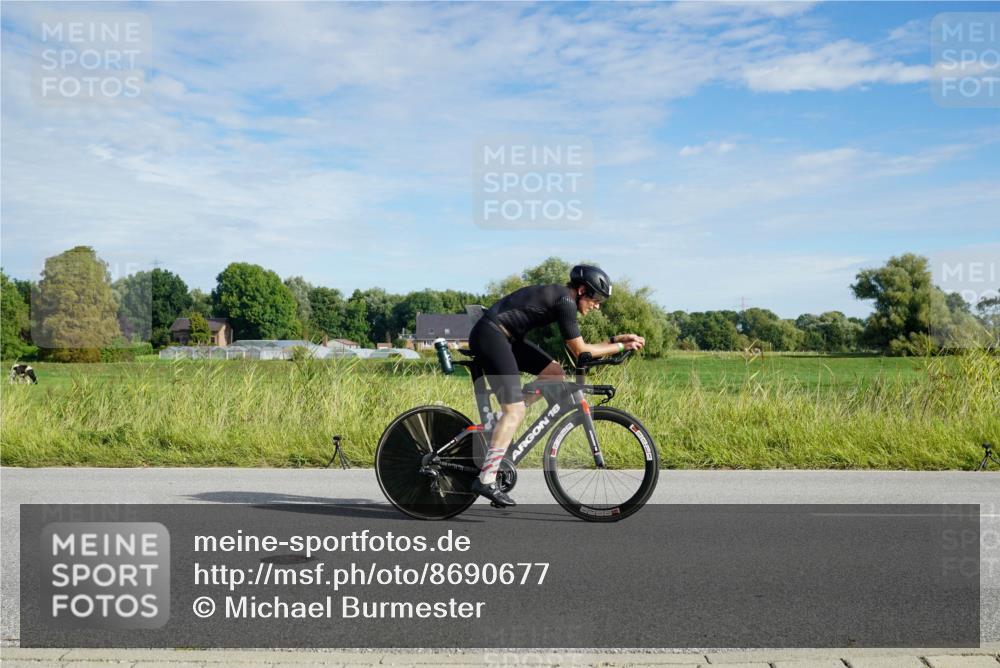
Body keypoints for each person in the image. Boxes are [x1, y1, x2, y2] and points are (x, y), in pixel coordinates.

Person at [468, 265, 645, 507]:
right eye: (596, 299)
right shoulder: (565, 302)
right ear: (581, 290)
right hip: (491, 335)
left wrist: (614, 340)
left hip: (507, 337)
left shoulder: (564, 299)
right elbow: (581, 351)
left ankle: (506, 419)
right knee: (515, 411)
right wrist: (622, 346)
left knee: (554, 374)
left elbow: (581, 348)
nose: (597, 306)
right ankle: (486, 478)